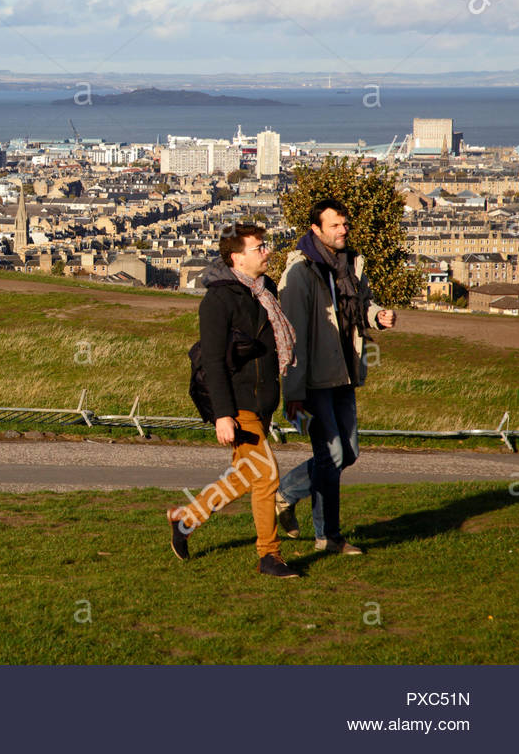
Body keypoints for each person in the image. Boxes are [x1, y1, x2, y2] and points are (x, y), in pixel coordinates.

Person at [167, 223, 300, 578]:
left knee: (248, 476)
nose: (266, 252)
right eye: (259, 247)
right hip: (238, 403)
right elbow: (212, 360)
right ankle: (269, 556)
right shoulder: (218, 299)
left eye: (265, 245)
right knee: (268, 478)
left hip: (263, 400)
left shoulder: (265, 290)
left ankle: (185, 519)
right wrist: (223, 415)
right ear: (237, 257)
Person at [275, 199, 396, 555]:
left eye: (344, 223)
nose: (343, 230)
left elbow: (362, 302)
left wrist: (378, 316)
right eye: (335, 226)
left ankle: (286, 494)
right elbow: (292, 335)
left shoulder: (351, 263)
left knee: (349, 453)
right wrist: (293, 392)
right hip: (314, 379)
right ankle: (328, 537)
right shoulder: (300, 272)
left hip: (345, 372)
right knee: (332, 456)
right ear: (316, 229)